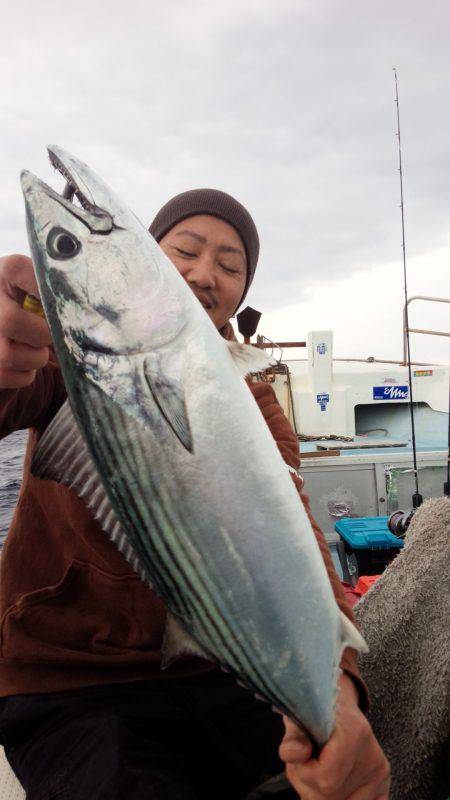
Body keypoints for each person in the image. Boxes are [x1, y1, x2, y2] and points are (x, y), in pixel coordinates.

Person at [0, 188, 390, 800]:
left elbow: (293, 540)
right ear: (149, 256)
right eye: (185, 249)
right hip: (70, 678)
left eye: (230, 266)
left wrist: (337, 690)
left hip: (218, 667)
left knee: (325, 778)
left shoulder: (255, 404)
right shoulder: (60, 359)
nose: (204, 273)